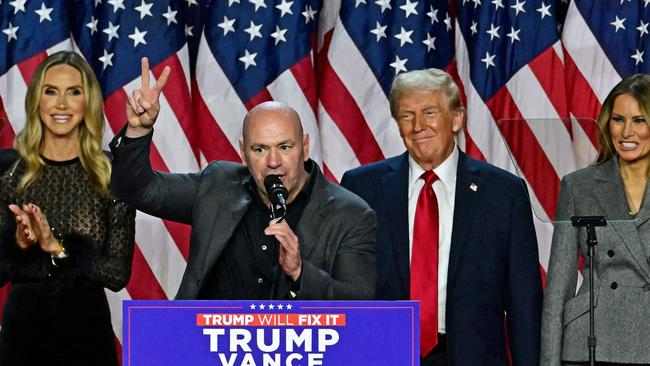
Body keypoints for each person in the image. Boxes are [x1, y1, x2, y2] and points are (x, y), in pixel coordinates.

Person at [109, 58, 376, 300]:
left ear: (305, 147)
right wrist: (138, 129)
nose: (273, 161)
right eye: (260, 149)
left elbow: (361, 305)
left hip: (298, 352)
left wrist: (300, 272)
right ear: (243, 153)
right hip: (207, 347)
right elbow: (138, 190)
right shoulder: (217, 185)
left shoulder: (350, 214)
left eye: (285, 147)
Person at [341, 68, 542, 365]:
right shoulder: (362, 187)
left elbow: (523, 301)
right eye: (407, 115)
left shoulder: (503, 193)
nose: (418, 125)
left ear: (457, 119)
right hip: (385, 354)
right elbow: (346, 288)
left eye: (430, 112)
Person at [0, 51, 136, 365]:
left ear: (86, 102)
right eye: (51, 91)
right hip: (22, 338)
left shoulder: (110, 174)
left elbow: (117, 274)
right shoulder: (9, 176)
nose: (62, 104)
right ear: (37, 101)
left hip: (86, 336)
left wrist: (56, 247)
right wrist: (19, 244)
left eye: (73, 92)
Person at [541, 74, 650, 366]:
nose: (627, 132)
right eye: (618, 120)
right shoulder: (579, 186)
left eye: (639, 120)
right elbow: (559, 286)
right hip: (591, 342)